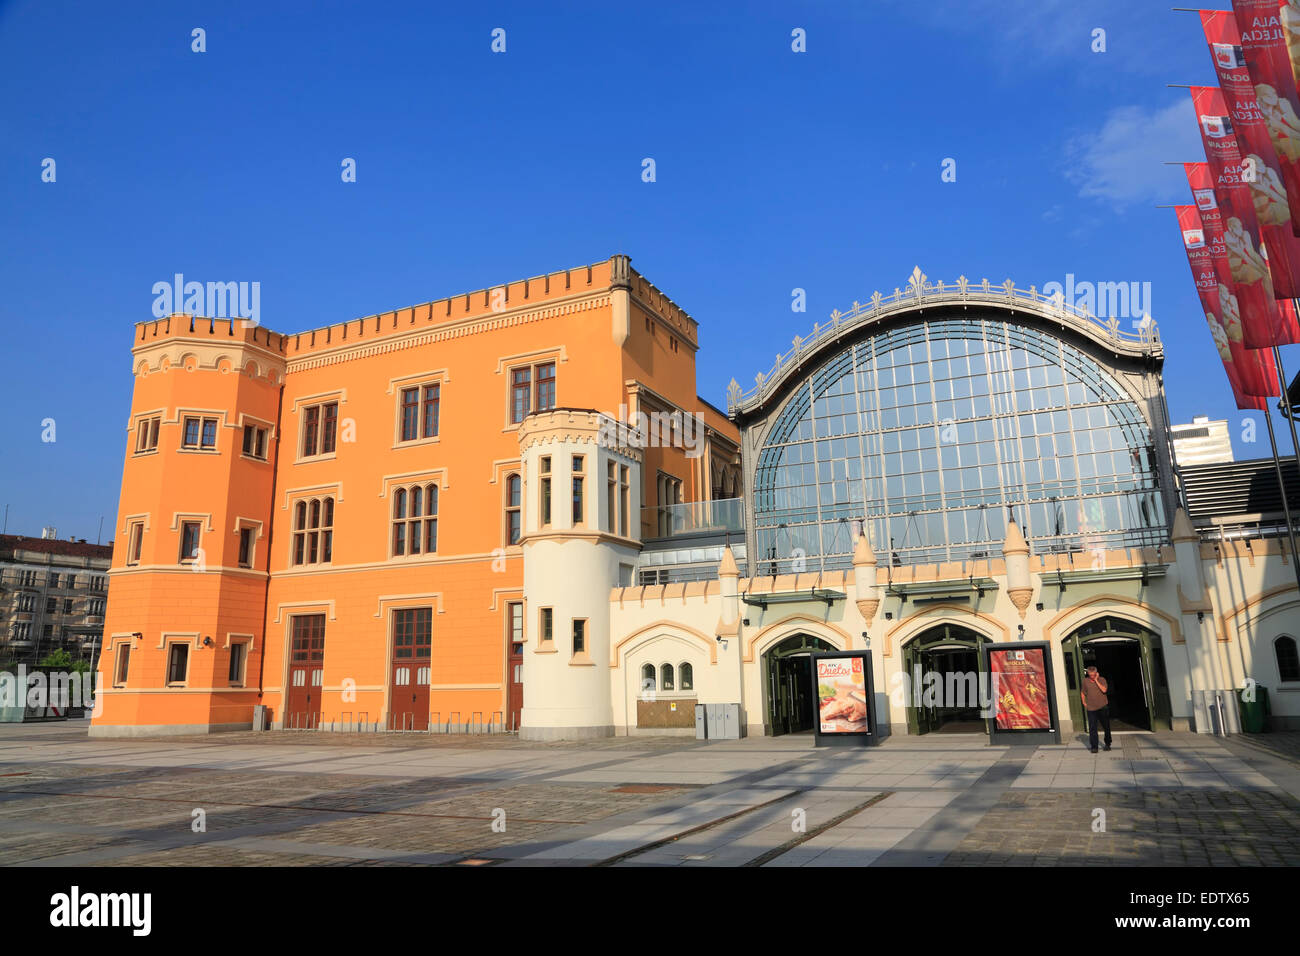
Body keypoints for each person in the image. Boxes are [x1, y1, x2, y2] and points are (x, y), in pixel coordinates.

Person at [1080, 664, 1111, 753]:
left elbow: (1104, 690)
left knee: (1106, 727)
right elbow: (1083, 692)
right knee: (1092, 728)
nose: (1092, 676)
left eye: (1093, 674)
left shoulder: (1102, 679)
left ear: (1096, 673)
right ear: (1088, 673)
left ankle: (1108, 744)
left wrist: (1096, 680)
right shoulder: (1085, 681)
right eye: (1090, 675)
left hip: (1102, 707)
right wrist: (1083, 702)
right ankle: (1094, 747)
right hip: (1091, 708)